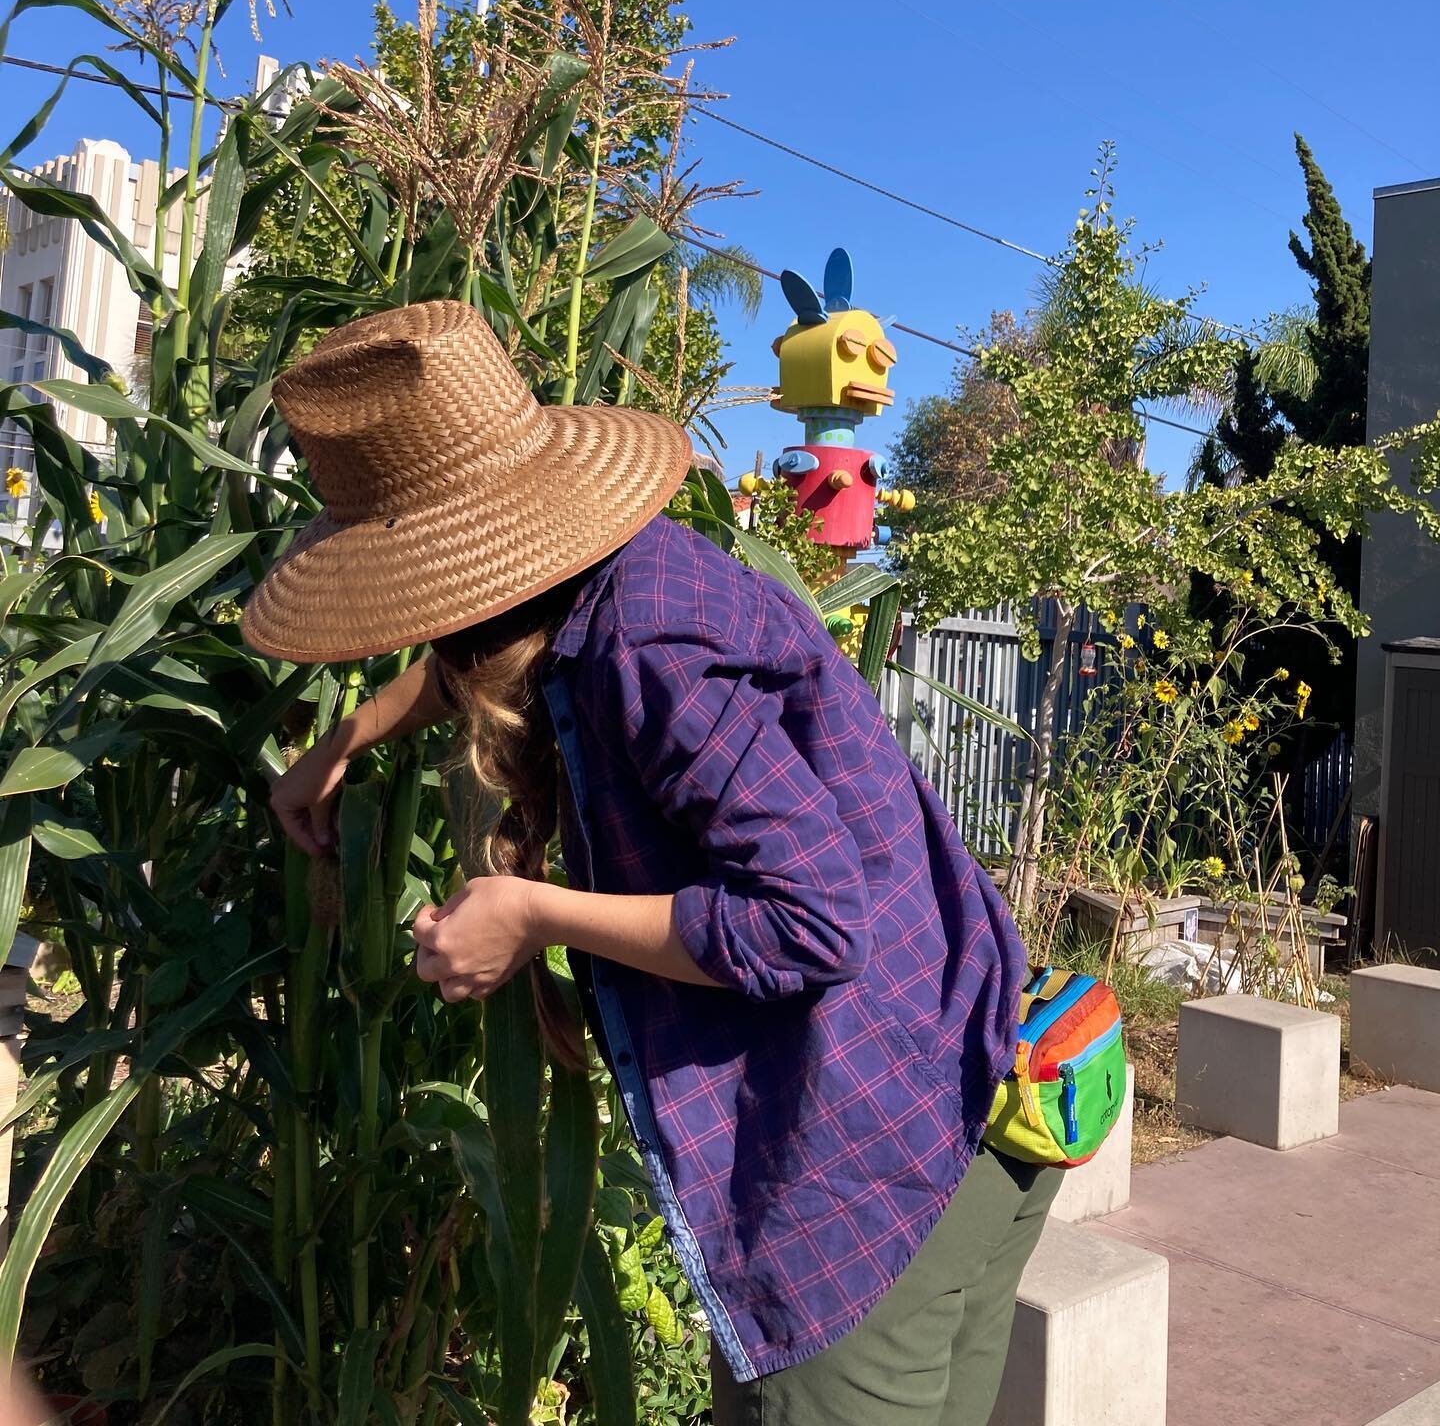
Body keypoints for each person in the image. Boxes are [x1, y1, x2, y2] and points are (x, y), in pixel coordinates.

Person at [246, 300, 1057, 1426]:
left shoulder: (644, 650)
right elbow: (475, 658)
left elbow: (811, 926)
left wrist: (533, 913)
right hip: (963, 1103)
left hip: (862, 1194)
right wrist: (344, 741)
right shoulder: (614, 580)